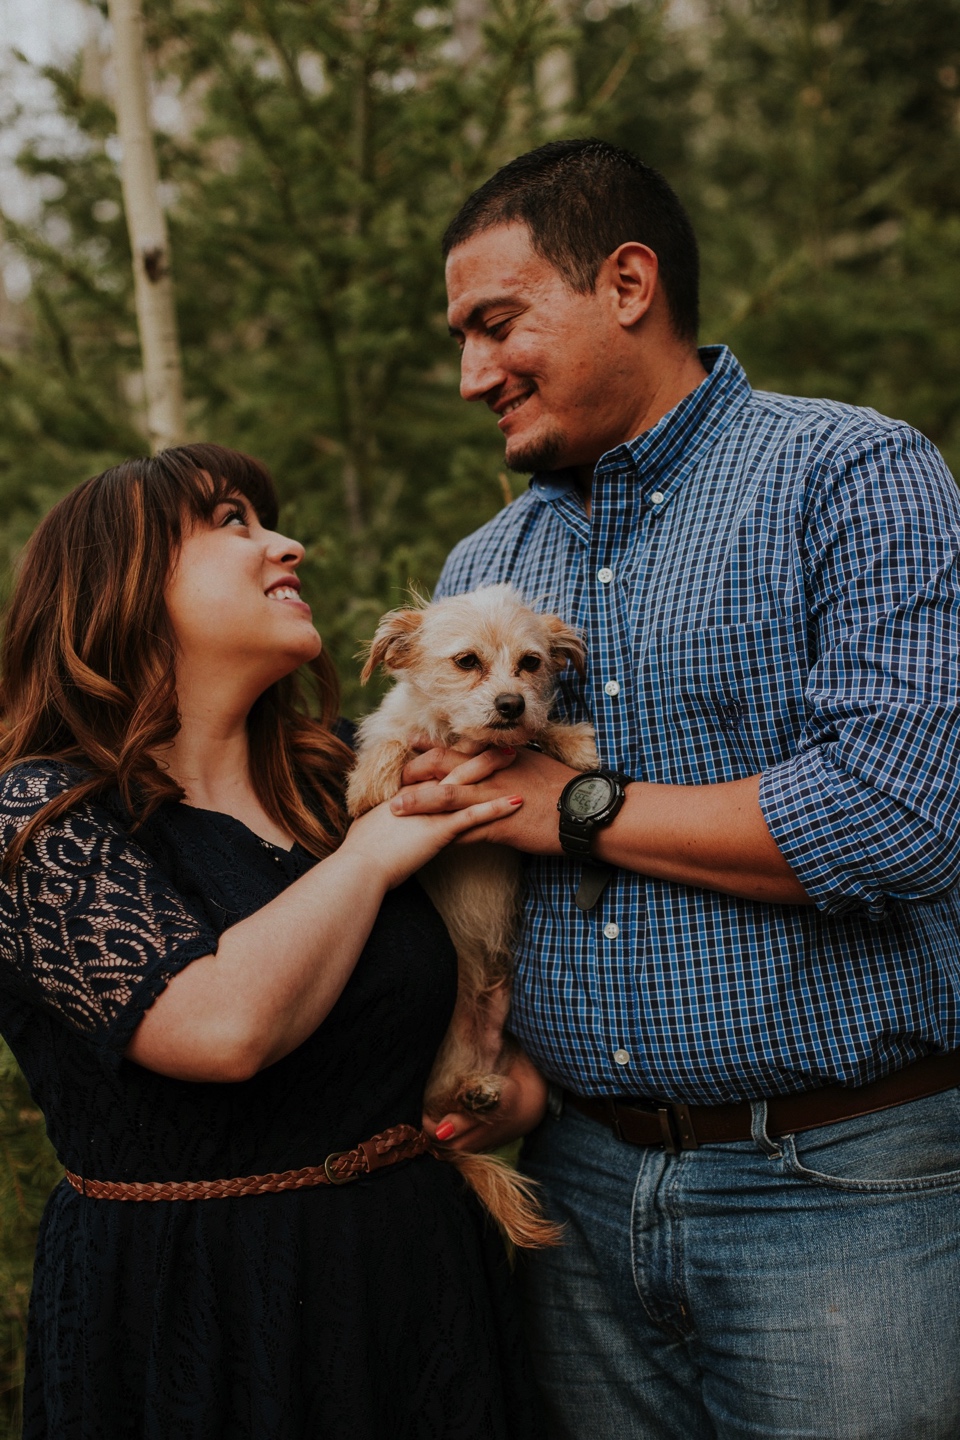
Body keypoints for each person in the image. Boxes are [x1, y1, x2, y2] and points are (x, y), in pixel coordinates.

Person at [394, 140, 960, 1437]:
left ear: (629, 282)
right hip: (575, 1191)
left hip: (836, 1187)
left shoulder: (850, 478)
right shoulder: (491, 559)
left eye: (495, 324)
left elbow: (897, 812)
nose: (471, 373)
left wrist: (580, 809)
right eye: (462, 338)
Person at [0, 442, 546, 1440]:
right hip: (195, 1318)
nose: (286, 542)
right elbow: (219, 1029)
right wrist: (374, 853)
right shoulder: (39, 818)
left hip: (417, 1299)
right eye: (232, 522)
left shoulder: (337, 776)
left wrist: (510, 1088)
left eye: (270, 517)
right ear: (118, 582)